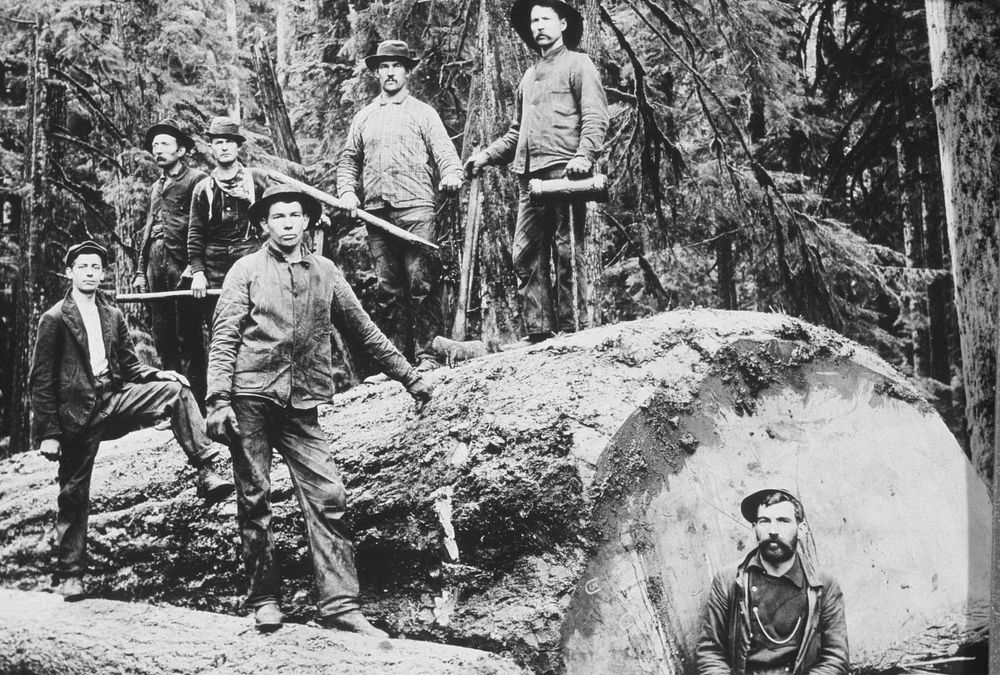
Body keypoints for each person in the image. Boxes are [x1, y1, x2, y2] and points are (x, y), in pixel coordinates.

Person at [206, 185, 434, 634]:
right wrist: (217, 400)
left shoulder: (326, 272)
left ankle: (341, 606)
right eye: (279, 216)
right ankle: (265, 598)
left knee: (329, 496)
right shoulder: (245, 270)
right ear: (265, 224)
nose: (288, 223)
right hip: (250, 396)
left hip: (301, 403)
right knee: (255, 499)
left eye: (295, 215)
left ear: (307, 222)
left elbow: (364, 332)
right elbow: (224, 337)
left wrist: (409, 377)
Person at [29, 240, 233, 601]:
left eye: (96, 267)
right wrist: (50, 433)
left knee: (176, 391)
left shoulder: (112, 315)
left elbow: (130, 365)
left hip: (115, 399)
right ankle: (71, 574)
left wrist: (162, 375)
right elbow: (41, 381)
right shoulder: (55, 318)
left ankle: (206, 470)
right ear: (70, 272)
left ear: (103, 273)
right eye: (83, 267)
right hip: (77, 416)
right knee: (73, 494)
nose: (90, 273)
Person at [465, 0, 608, 344]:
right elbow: (517, 132)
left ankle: (574, 330)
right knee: (525, 253)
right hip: (529, 178)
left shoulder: (579, 64)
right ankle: (540, 331)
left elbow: (595, 115)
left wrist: (584, 156)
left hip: (566, 171)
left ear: (562, 24)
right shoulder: (529, 76)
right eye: (533, 21)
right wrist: (485, 155)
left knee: (566, 251)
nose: (538, 26)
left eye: (545, 19)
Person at [337, 39, 464, 367]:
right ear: (376, 73)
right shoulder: (364, 117)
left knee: (421, 282)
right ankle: (394, 362)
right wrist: (348, 193)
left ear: (407, 72)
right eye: (384, 67)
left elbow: (446, 154)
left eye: (396, 66)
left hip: (417, 209)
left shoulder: (424, 113)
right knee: (387, 289)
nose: (390, 73)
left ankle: (428, 355)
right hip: (377, 214)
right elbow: (349, 161)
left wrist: (451, 173)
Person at [696, 489, 849, 675]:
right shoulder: (729, 580)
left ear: (801, 530)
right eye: (764, 521)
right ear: (755, 528)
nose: (773, 531)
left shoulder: (824, 584)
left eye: (783, 521)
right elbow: (710, 654)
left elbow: (835, 658)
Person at [132, 119, 209, 407]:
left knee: (189, 335)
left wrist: (196, 265)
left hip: (184, 267)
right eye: (154, 146)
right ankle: (176, 405)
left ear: (181, 150)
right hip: (155, 267)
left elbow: (204, 227)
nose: (158, 150)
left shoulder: (197, 180)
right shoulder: (156, 187)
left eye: (164, 144)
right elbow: (149, 228)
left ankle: (199, 404)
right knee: (162, 336)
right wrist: (141, 271)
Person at [187, 116, 271, 330]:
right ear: (211, 147)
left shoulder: (257, 180)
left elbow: (281, 208)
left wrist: (314, 215)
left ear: (238, 146)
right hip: (215, 266)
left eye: (229, 141)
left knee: (257, 324)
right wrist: (198, 273)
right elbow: (195, 233)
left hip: (251, 259)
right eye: (218, 142)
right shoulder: (204, 188)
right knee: (220, 326)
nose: (224, 147)